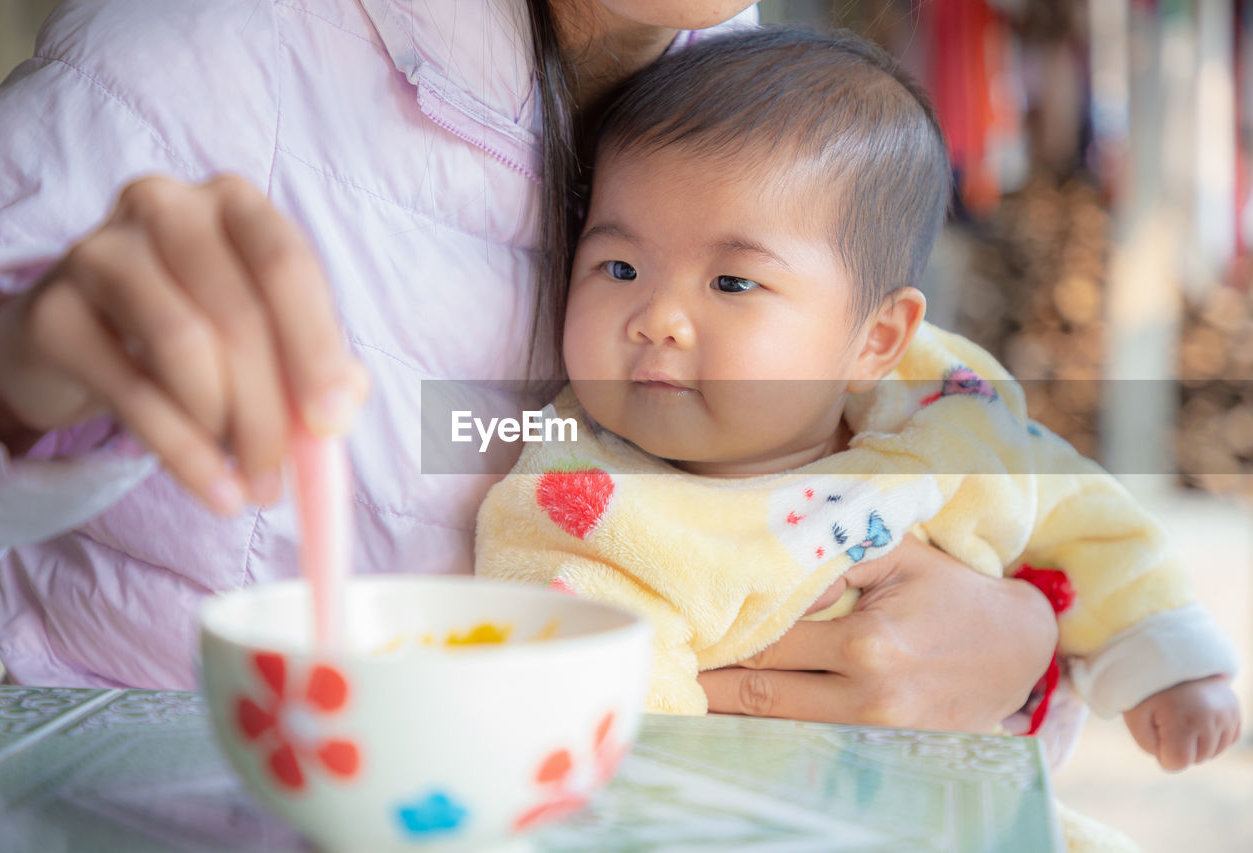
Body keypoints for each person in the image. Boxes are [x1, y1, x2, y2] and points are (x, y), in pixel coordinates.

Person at [0, 0, 1054, 726]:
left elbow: (940, 451)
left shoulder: (760, 97)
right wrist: (6, 388)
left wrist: (1017, 648)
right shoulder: (188, 52)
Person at [474, 27, 1241, 771]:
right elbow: (607, 710)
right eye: (617, 267)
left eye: (733, 282)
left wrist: (1165, 658)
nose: (657, 320)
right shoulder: (585, 505)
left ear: (876, 340)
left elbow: (1089, 525)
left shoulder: (945, 421)